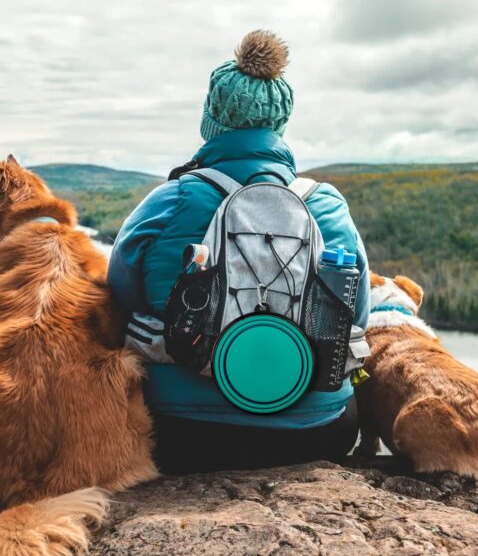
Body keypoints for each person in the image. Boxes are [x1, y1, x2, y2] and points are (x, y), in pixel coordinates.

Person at [108, 30, 370, 473]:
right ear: (280, 124)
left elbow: (117, 299)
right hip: (318, 431)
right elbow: (357, 316)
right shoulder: (326, 205)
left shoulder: (169, 201)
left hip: (181, 432)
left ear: (212, 118)